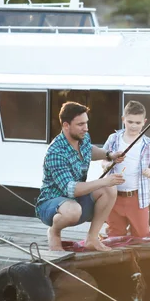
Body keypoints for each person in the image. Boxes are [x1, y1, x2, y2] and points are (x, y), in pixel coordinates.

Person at [36, 101, 125, 252]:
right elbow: (72, 189)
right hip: (50, 204)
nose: (86, 128)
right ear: (66, 125)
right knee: (73, 210)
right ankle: (54, 231)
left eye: (86, 123)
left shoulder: (83, 137)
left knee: (109, 189)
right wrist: (104, 181)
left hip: (75, 201)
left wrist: (109, 155)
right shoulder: (55, 152)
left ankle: (92, 239)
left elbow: (89, 150)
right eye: (80, 124)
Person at [102, 100, 150, 238]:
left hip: (137, 198)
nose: (133, 126)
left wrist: (149, 172)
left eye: (138, 123)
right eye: (130, 122)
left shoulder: (148, 144)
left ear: (144, 122)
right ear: (123, 120)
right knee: (115, 234)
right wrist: (108, 164)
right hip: (114, 196)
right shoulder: (113, 139)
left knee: (141, 235)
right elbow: (103, 160)